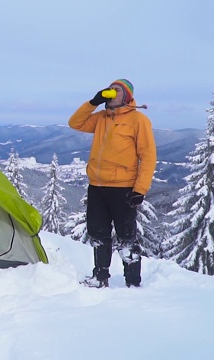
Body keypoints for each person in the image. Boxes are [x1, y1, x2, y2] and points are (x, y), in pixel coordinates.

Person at [68, 79, 157, 288]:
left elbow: (148, 156)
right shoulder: (101, 118)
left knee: (126, 237)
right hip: (97, 186)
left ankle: (133, 282)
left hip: (124, 188)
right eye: (110, 89)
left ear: (126, 96)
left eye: (117, 90)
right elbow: (75, 123)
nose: (112, 92)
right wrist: (93, 102)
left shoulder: (138, 120)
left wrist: (140, 189)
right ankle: (100, 277)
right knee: (98, 234)